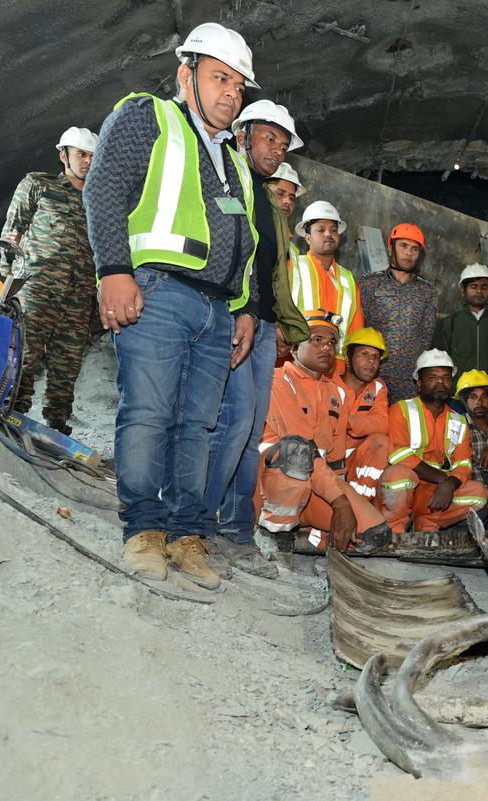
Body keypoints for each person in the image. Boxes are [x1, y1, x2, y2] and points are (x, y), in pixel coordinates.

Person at [84, 22, 262, 588]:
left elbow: (249, 243)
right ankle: (143, 531)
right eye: (219, 78)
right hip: (158, 292)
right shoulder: (150, 117)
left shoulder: (234, 160)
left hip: (216, 311)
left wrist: (248, 308)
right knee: (149, 414)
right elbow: (105, 187)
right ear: (187, 74)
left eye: (238, 84)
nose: (230, 92)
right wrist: (114, 270)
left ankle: (188, 535)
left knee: (197, 427)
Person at [203, 99, 303, 578]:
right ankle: (198, 524)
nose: (276, 149)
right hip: (232, 317)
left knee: (252, 427)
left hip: (263, 325)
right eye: (269, 138)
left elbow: (273, 274)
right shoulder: (229, 180)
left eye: (282, 143)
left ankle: (237, 530)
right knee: (235, 418)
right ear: (243, 135)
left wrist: (285, 324)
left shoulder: (268, 200)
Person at [256, 310, 392, 553]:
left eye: (331, 342)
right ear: (295, 348)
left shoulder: (337, 394)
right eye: (316, 340)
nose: (327, 347)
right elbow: (301, 449)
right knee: (295, 452)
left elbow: (335, 462)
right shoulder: (278, 381)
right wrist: (340, 504)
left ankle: (309, 532)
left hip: (315, 489)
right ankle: (273, 534)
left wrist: (344, 500)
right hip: (272, 489)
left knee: (374, 534)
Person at [1, 126, 98, 435]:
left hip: (78, 297)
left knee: (67, 363)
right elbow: (12, 233)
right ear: (63, 155)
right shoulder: (38, 185)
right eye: (81, 154)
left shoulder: (100, 204)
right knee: (25, 353)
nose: (87, 162)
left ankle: (57, 423)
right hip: (36, 288)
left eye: (93, 156)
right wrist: (8, 282)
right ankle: (12, 409)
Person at [382, 349, 488, 533]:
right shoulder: (401, 410)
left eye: (446, 377)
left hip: (435, 495)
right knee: (398, 475)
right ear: (419, 383)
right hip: (408, 488)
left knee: (479, 493)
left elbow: (463, 465)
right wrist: (443, 479)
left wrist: (450, 484)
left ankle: (426, 523)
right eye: (432, 377)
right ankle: (395, 529)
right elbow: (399, 455)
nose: (440, 382)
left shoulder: (458, 420)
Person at [276, 200, 363, 373]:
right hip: (293, 362)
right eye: (320, 230)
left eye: (333, 230)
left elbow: (355, 328)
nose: (328, 234)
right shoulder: (292, 266)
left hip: (334, 368)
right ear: (307, 237)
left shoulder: (348, 279)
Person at [359, 223, 437, 403]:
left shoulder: (427, 292)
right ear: (390, 248)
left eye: (414, 248)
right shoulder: (368, 284)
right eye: (403, 246)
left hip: (410, 383)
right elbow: (358, 328)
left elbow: (426, 337)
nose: (408, 253)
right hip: (373, 376)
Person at [432, 264, 488, 413]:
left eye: (484, 287)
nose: (479, 291)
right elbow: (439, 364)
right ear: (463, 290)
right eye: (473, 286)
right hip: (457, 402)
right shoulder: (449, 323)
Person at [339, 327, 392, 501]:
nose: (371, 361)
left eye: (376, 357)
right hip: (328, 463)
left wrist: (345, 422)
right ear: (347, 359)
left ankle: (360, 502)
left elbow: (382, 423)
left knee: (381, 442)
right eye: (364, 354)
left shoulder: (377, 388)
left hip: (357, 461)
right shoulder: (328, 384)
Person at [456, 369, 488, 530]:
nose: (479, 402)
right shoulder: (459, 426)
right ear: (463, 401)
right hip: (471, 484)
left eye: (484, 397)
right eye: (473, 397)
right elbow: (471, 472)